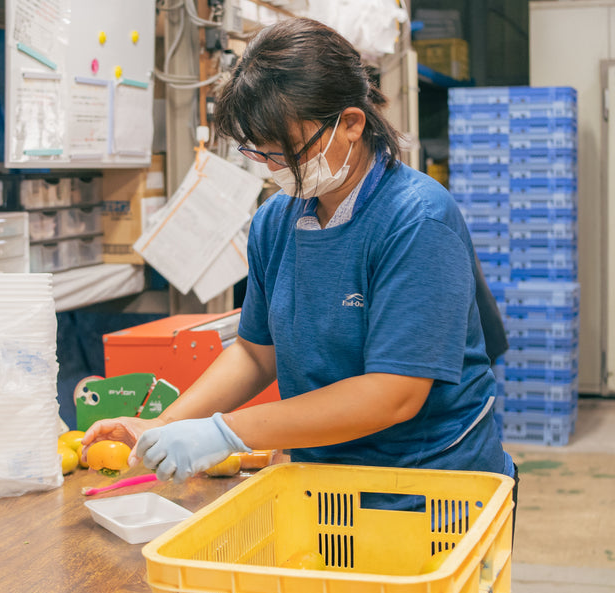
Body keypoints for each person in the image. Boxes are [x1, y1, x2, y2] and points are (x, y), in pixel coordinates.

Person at [83, 17, 516, 497]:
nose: (274, 169)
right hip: (326, 482)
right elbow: (254, 352)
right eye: (260, 153)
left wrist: (226, 433)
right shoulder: (276, 222)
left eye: (286, 151)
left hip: (430, 486)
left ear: (351, 123)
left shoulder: (416, 221)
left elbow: (392, 395)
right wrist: (165, 423)